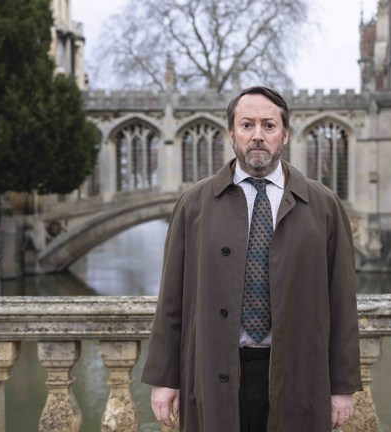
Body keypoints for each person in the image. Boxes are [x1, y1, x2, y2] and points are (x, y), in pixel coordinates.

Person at [141, 86, 362, 431]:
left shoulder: (324, 205)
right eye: (247, 125)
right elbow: (171, 299)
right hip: (213, 368)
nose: (257, 135)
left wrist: (343, 385)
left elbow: (342, 302)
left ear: (285, 134)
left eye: (269, 126)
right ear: (231, 133)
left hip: (298, 371)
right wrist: (164, 378)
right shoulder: (194, 204)